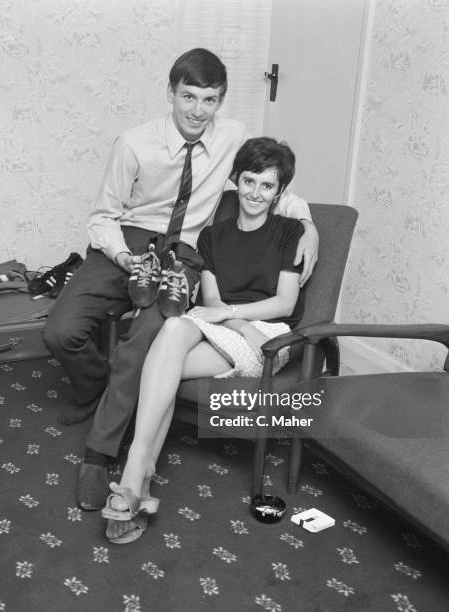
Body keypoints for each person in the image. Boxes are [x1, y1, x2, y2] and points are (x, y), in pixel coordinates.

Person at [42, 49, 319, 512]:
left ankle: (99, 453)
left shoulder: (232, 138)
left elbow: (272, 182)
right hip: (125, 241)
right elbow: (103, 216)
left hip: (184, 253)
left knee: (147, 335)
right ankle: (97, 388)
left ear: (221, 102)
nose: (197, 110)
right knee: (60, 332)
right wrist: (124, 255)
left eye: (209, 100)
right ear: (170, 93)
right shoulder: (133, 143)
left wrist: (306, 223)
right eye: (188, 96)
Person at [102, 136, 305, 543]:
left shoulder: (290, 231)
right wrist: (229, 318)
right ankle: (139, 470)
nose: (256, 193)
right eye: (249, 181)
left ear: (280, 190)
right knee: (173, 330)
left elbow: (284, 303)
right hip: (219, 322)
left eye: (268, 186)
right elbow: (210, 300)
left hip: (266, 337)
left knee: (156, 360)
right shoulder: (213, 237)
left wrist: (238, 320)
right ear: (236, 179)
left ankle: (136, 472)